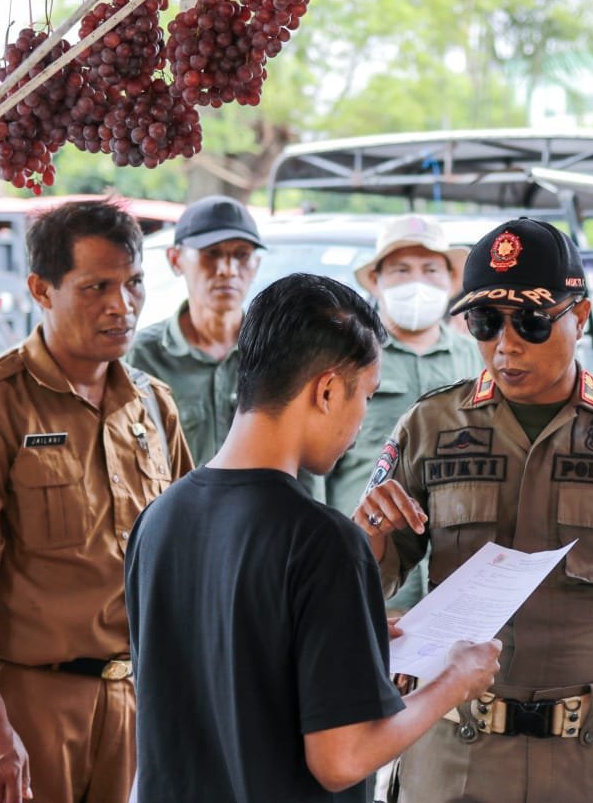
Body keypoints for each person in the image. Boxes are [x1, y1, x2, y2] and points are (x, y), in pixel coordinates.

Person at [355, 217, 593, 803]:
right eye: (483, 321)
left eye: (531, 320)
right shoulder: (430, 426)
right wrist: (365, 536)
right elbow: (369, 586)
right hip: (453, 757)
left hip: (587, 764)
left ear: (580, 315)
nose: (505, 344)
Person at [124, 273, 501, 802]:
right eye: (366, 395)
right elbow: (341, 757)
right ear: (326, 391)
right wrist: (455, 682)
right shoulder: (323, 542)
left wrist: (353, 636)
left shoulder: (157, 520)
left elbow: (218, 667)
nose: (362, 418)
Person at [0, 199, 193, 803]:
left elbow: (193, 555)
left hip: (135, 707)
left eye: (133, 283)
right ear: (41, 289)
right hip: (26, 707)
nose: (123, 305)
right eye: (96, 287)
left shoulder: (154, 408)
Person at [326, 215, 481, 613]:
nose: (417, 282)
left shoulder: (476, 360)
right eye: (401, 270)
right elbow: (316, 469)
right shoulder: (346, 360)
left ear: (451, 282)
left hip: (455, 580)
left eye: (430, 270)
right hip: (363, 573)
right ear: (375, 281)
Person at [127, 195, 264, 466]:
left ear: (256, 264)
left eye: (242, 255)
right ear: (175, 260)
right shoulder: (142, 358)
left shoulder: (276, 353)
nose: (227, 270)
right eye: (211, 253)